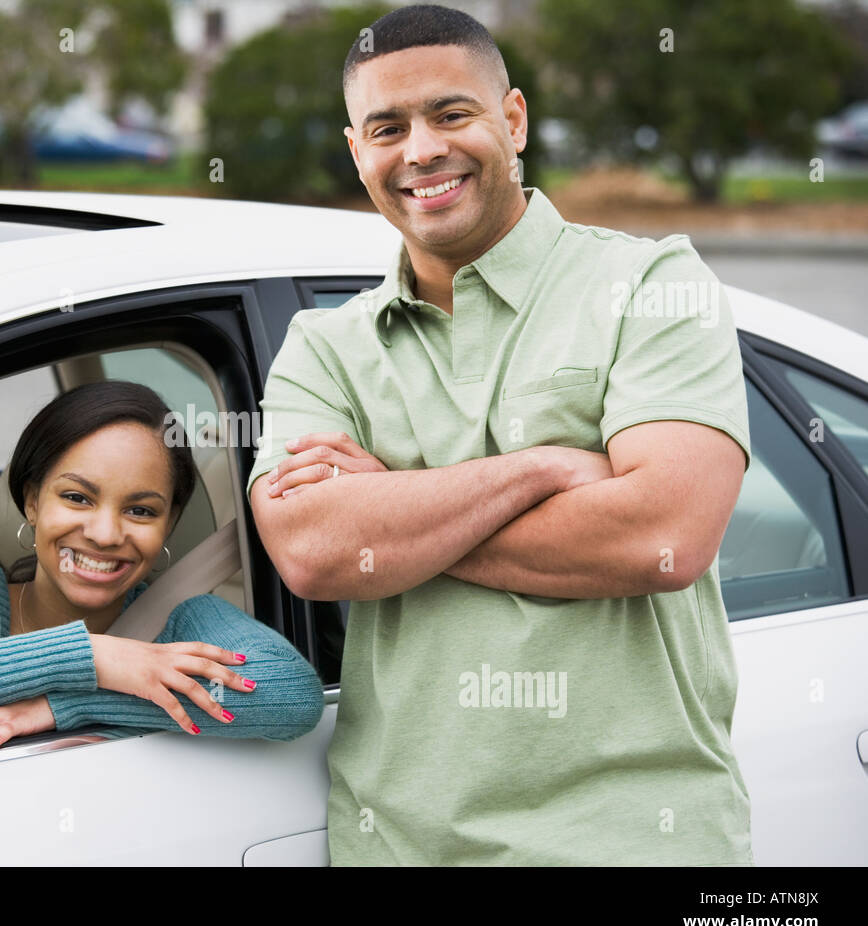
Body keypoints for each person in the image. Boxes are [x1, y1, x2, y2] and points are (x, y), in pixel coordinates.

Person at [246, 4, 752, 865]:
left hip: (634, 843)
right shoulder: (324, 347)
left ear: (512, 120)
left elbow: (666, 533)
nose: (421, 151)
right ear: (356, 150)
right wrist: (543, 469)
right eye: (387, 128)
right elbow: (313, 552)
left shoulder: (652, 283)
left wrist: (393, 509)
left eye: (451, 114)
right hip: (397, 848)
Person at [0, 380, 324, 750]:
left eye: (141, 510)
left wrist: (66, 703)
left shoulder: (184, 620)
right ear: (31, 502)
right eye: (77, 497)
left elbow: (290, 695)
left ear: (169, 523)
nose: (106, 534)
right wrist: (91, 657)